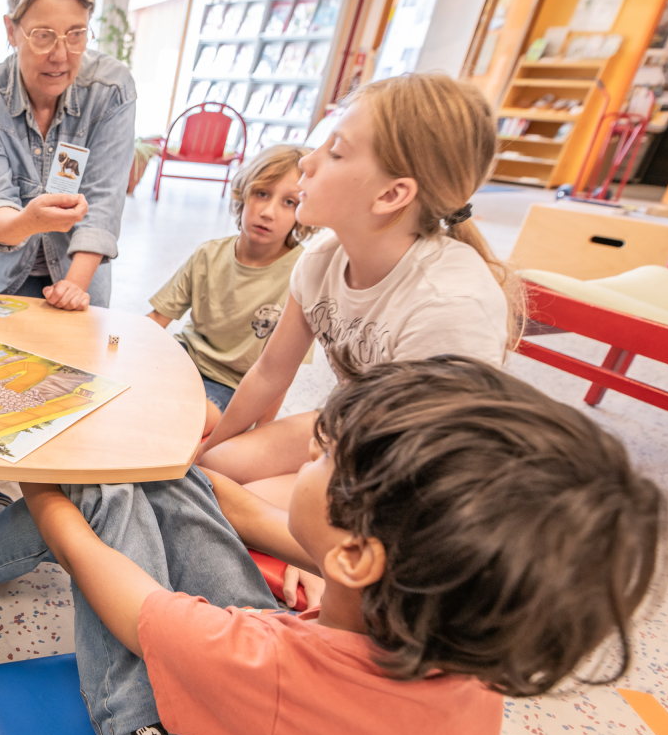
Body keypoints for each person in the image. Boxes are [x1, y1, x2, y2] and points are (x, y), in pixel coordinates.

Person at [0, 356, 665, 735]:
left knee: (102, 497)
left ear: (356, 558)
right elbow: (254, 521)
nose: (307, 460)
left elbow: (109, 582)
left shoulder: (271, 669)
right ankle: (80, 500)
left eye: (321, 456)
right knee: (168, 483)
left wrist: (41, 479)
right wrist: (179, 473)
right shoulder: (470, 647)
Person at [195, 72, 519, 535]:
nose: (307, 161)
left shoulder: (450, 304)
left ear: (391, 195)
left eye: (337, 152)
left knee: (225, 507)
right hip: (345, 430)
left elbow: (430, 463)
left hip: (409, 470)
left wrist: (339, 535)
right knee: (208, 474)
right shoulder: (321, 259)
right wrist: (208, 453)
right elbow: (270, 372)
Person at [0, 0, 137, 310]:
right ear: (12, 30)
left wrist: (71, 289)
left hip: (76, 275)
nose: (60, 55)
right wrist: (28, 222)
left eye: (76, 34)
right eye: (43, 36)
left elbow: (103, 202)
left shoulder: (111, 90)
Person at [147, 144, 313, 438]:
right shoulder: (208, 254)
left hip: (230, 386)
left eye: (289, 202)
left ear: (304, 211)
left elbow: (282, 373)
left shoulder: (303, 275)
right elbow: (156, 320)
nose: (268, 212)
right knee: (132, 401)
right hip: (181, 358)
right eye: (261, 194)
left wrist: (260, 436)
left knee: (180, 423)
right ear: (243, 193)